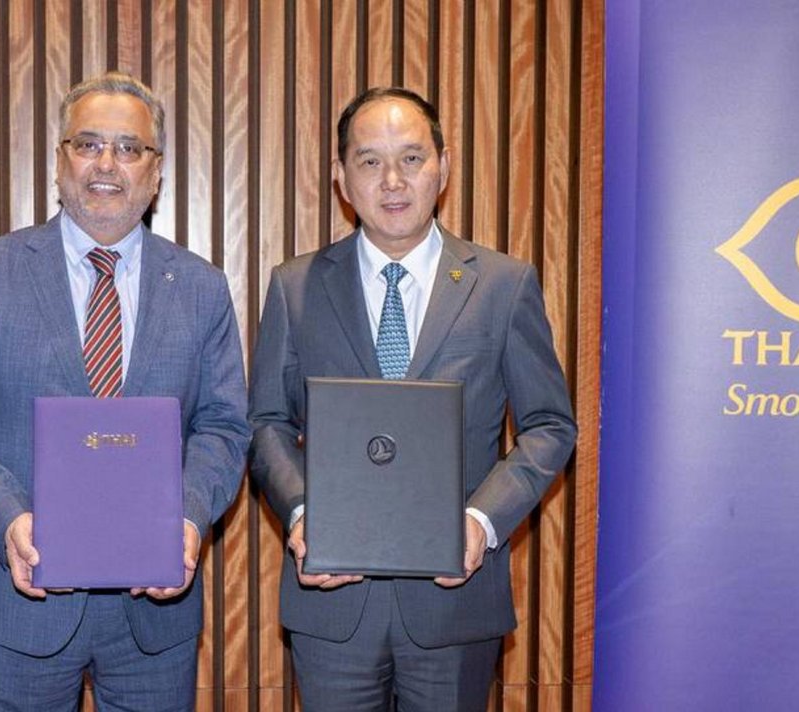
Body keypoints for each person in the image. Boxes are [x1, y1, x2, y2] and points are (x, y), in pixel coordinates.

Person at [0, 72, 249, 711]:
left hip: (156, 613)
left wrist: (188, 514)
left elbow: (225, 426)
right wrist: (6, 517)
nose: (106, 164)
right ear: (60, 160)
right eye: (88, 144)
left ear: (156, 171)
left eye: (129, 148)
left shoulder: (201, 287)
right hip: (19, 598)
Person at [248, 87, 578, 711]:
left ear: (444, 167)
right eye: (370, 161)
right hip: (333, 603)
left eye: (412, 158)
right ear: (342, 178)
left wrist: (482, 523)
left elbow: (548, 426)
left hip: (456, 602)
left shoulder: (504, 286)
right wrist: (299, 516)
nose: (393, 180)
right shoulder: (294, 288)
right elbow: (267, 422)